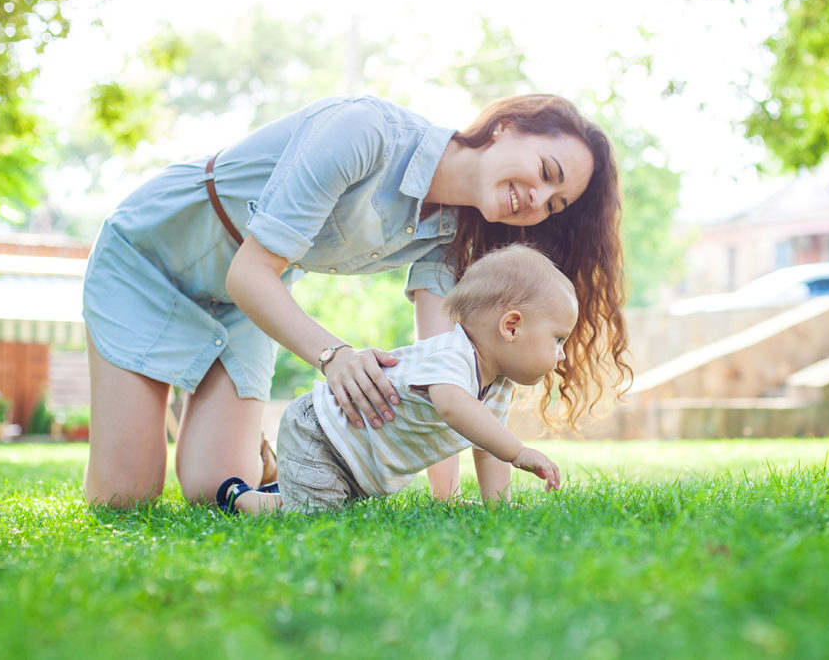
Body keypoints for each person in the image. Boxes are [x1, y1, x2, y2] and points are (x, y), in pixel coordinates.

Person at [82, 93, 629, 508]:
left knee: (210, 489)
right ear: (507, 127)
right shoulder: (365, 131)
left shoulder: (450, 236)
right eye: (545, 173)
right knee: (124, 498)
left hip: (239, 307)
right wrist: (335, 356)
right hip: (148, 261)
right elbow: (250, 274)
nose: (536, 200)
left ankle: (265, 453)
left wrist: (450, 501)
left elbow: (445, 368)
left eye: (553, 205)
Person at [219, 244, 570, 515]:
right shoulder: (453, 356)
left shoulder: (499, 387)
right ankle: (242, 501)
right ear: (511, 326)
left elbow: (489, 449)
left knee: (324, 508)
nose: (562, 354)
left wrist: (500, 509)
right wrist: (518, 451)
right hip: (321, 435)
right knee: (316, 521)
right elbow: (452, 406)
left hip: (358, 464)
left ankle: (279, 493)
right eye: (558, 339)